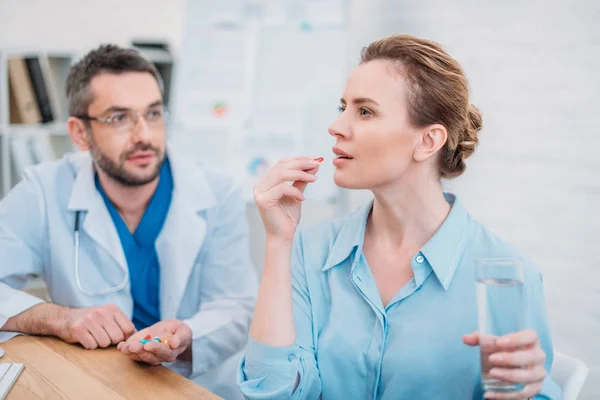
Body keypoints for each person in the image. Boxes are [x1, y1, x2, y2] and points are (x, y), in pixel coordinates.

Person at [237, 35, 561, 399]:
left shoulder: (506, 275)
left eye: (364, 111)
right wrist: (278, 242)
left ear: (427, 142)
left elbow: (526, 387)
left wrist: (527, 393)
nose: (336, 126)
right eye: (342, 106)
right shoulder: (308, 251)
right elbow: (273, 392)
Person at [0, 44, 257, 399]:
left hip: (197, 387)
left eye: (152, 114)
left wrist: (186, 336)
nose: (144, 136)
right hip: (90, 385)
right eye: (119, 117)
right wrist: (59, 318)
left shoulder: (215, 191)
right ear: (79, 133)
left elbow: (236, 305)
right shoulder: (43, 191)